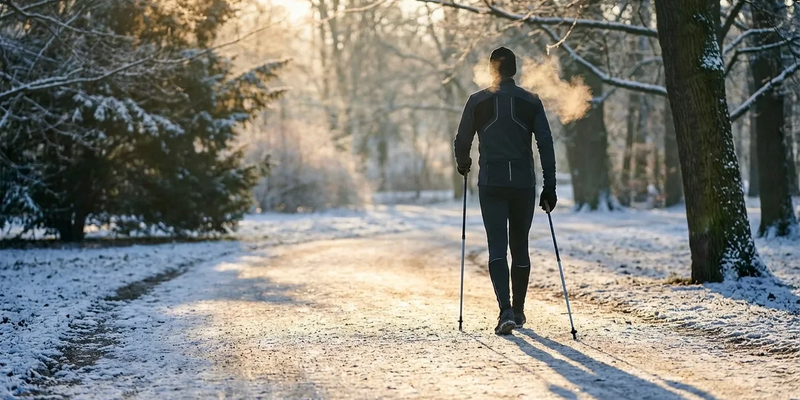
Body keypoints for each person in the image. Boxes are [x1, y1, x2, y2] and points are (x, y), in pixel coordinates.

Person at [454, 47, 557, 335]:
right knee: (520, 246)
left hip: (492, 183)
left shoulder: (477, 101)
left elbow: (462, 140)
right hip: (523, 184)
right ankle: (519, 310)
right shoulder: (531, 101)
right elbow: (546, 144)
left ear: (491, 70)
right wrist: (550, 186)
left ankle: (505, 311)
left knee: (497, 246)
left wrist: (464, 164)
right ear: (515, 70)